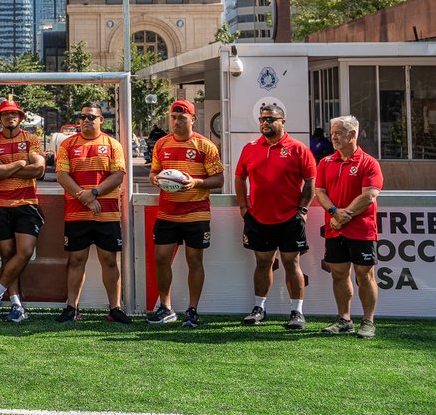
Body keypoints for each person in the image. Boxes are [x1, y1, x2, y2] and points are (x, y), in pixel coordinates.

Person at [234, 103, 315, 330]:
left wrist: (303, 210)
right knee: (263, 262)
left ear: (282, 122)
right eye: (262, 119)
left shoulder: (298, 149)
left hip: (290, 218)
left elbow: (310, 182)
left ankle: (297, 312)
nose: (265, 123)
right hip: (258, 218)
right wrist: (243, 207)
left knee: (292, 263)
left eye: (270, 119)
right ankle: (259, 308)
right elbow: (240, 178)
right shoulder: (250, 148)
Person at [146, 99, 224, 328]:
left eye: (181, 117)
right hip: (167, 212)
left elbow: (219, 179)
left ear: (193, 119)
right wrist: (155, 179)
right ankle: (166, 307)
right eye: (173, 117)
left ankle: (192, 310)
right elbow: (154, 172)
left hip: (196, 212)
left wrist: (196, 183)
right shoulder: (161, 144)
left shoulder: (205, 145)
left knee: (194, 260)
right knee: (161, 258)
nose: (176, 121)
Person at [54, 103, 132, 325]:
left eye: (91, 117)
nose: (86, 120)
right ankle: (72, 308)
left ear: (101, 120)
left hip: (106, 214)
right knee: (76, 259)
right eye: (82, 116)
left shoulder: (112, 144)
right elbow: (62, 175)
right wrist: (84, 196)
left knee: (109, 260)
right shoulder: (68, 144)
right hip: (77, 214)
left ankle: (115, 308)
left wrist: (95, 193)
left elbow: (118, 175)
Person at [314, 114, 383, 340]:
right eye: (332, 133)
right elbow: (320, 192)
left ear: (352, 134)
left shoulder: (369, 163)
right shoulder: (325, 162)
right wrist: (335, 213)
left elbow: (370, 195)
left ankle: (368, 322)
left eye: (337, 133)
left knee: (364, 274)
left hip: (362, 229)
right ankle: (344, 320)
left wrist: (345, 214)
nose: (332, 137)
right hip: (335, 226)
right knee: (339, 274)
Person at [0, 97, 46, 322]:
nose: (11, 117)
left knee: (24, 252)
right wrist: (19, 164)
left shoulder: (31, 139)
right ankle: (16, 305)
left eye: (14, 114)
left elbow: (38, 169)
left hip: (26, 203)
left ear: (20, 118)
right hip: (0, 204)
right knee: (8, 256)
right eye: (6, 114)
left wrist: (6, 168)